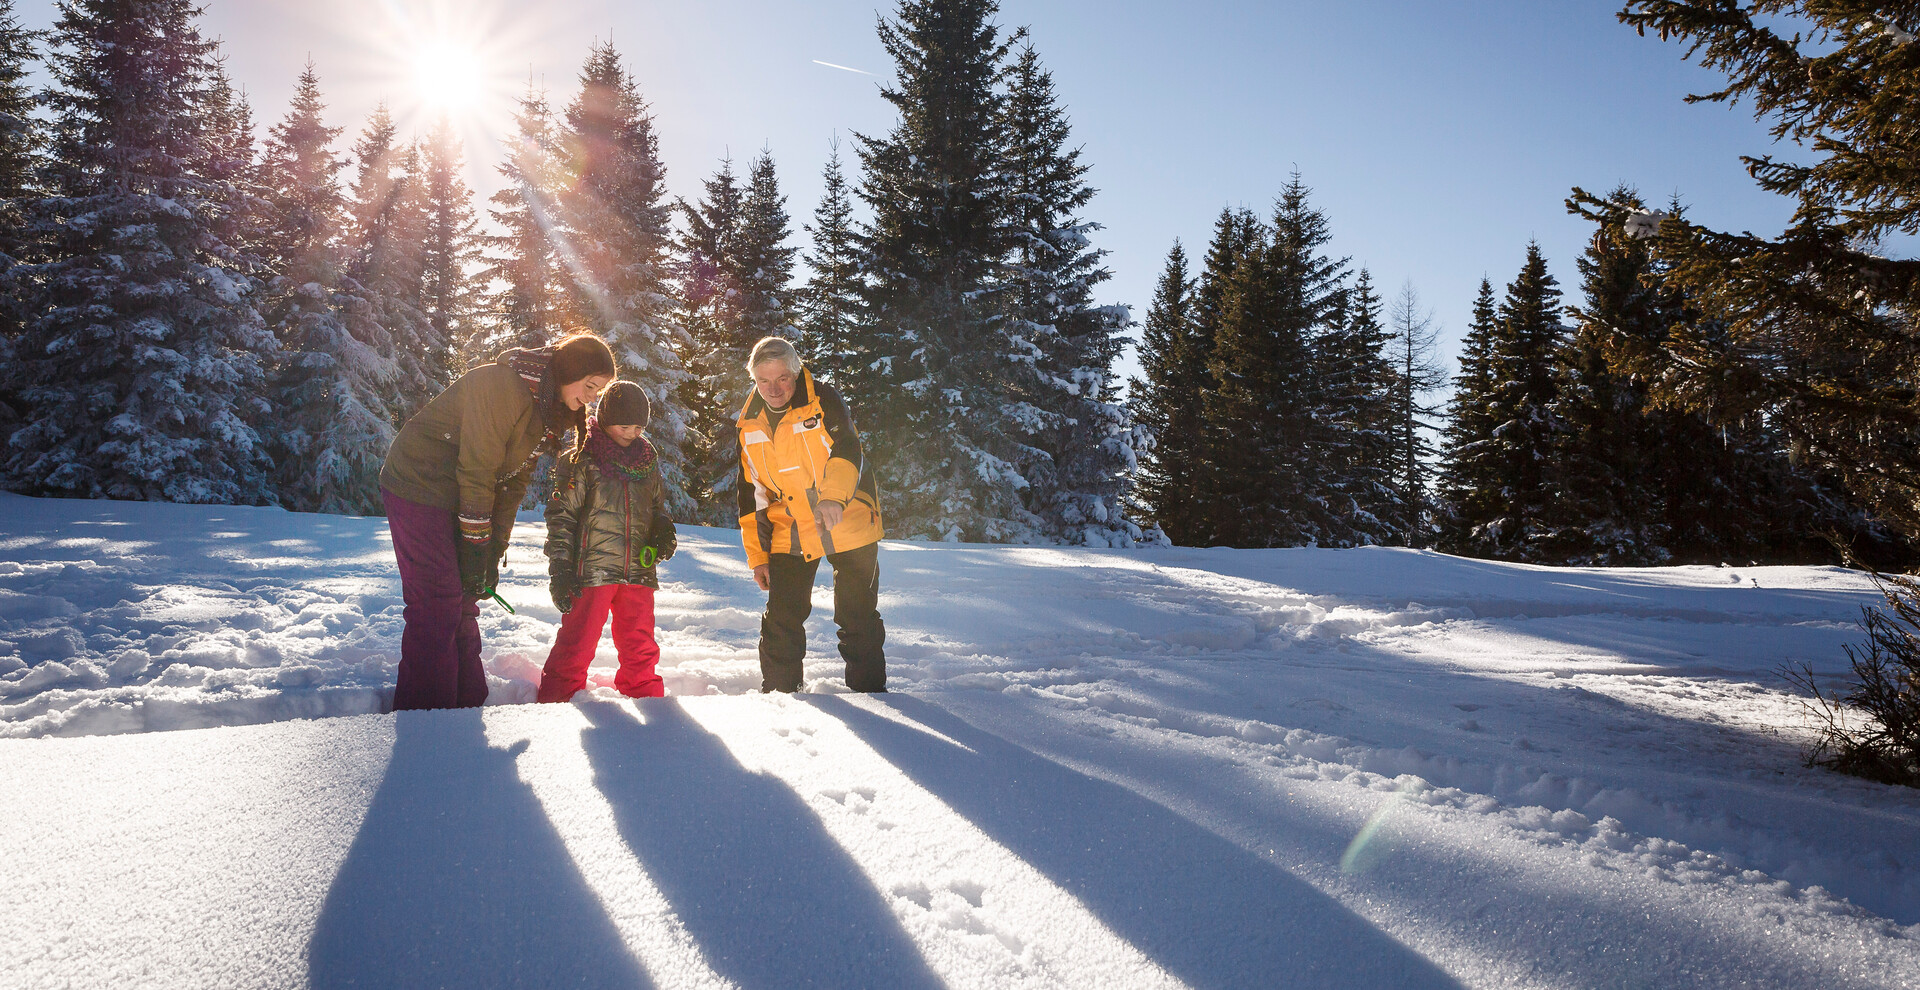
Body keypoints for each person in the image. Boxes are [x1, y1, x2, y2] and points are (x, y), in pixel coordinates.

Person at [378, 335, 617, 710]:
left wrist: (492, 551)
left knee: (464, 597)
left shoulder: (546, 411)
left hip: (457, 493)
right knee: (437, 601)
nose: (591, 398)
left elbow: (513, 482)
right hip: (419, 484)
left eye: (598, 392)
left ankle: (466, 704)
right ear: (570, 371)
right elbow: (478, 470)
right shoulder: (502, 384)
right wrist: (475, 543)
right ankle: (424, 720)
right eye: (590, 386)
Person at [735, 336, 887, 693]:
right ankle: (781, 699)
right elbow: (751, 495)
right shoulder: (749, 425)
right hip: (792, 527)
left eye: (782, 379)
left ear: (795, 371)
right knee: (781, 619)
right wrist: (758, 556)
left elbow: (849, 448)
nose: (773, 389)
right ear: (754, 380)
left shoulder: (823, 400)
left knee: (856, 615)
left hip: (847, 516)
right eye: (763, 380)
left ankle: (871, 699)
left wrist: (833, 497)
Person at [537, 381, 676, 702]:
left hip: (638, 570)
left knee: (640, 643)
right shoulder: (582, 459)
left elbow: (657, 507)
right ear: (603, 420)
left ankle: (647, 699)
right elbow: (562, 517)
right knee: (578, 640)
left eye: (639, 427)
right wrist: (560, 565)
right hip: (592, 571)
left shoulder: (646, 461)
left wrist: (663, 528)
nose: (632, 433)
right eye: (625, 425)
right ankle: (554, 701)